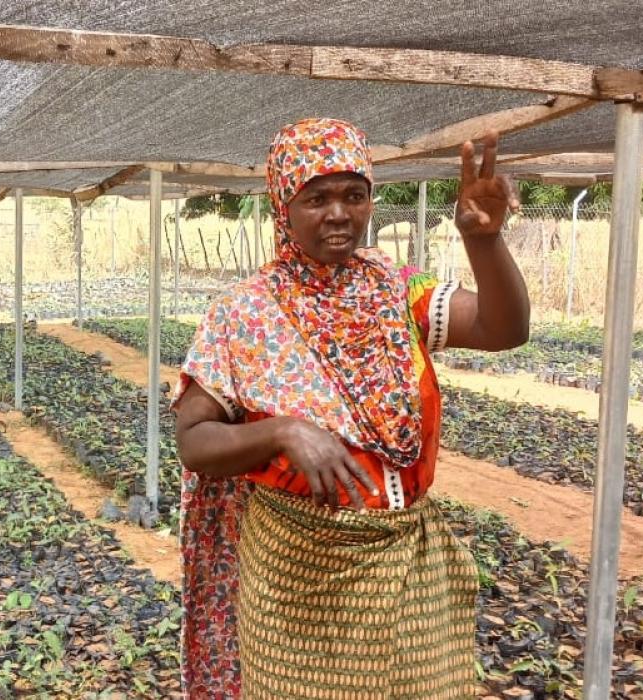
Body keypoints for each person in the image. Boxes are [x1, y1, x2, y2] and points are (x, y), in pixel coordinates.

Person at [173, 118, 530, 699]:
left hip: (409, 561)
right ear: (283, 207)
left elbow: (503, 327)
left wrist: (484, 243)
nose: (338, 213)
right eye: (316, 198)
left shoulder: (397, 289)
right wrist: (282, 432)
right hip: (300, 573)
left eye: (354, 195)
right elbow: (194, 441)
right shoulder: (244, 313)